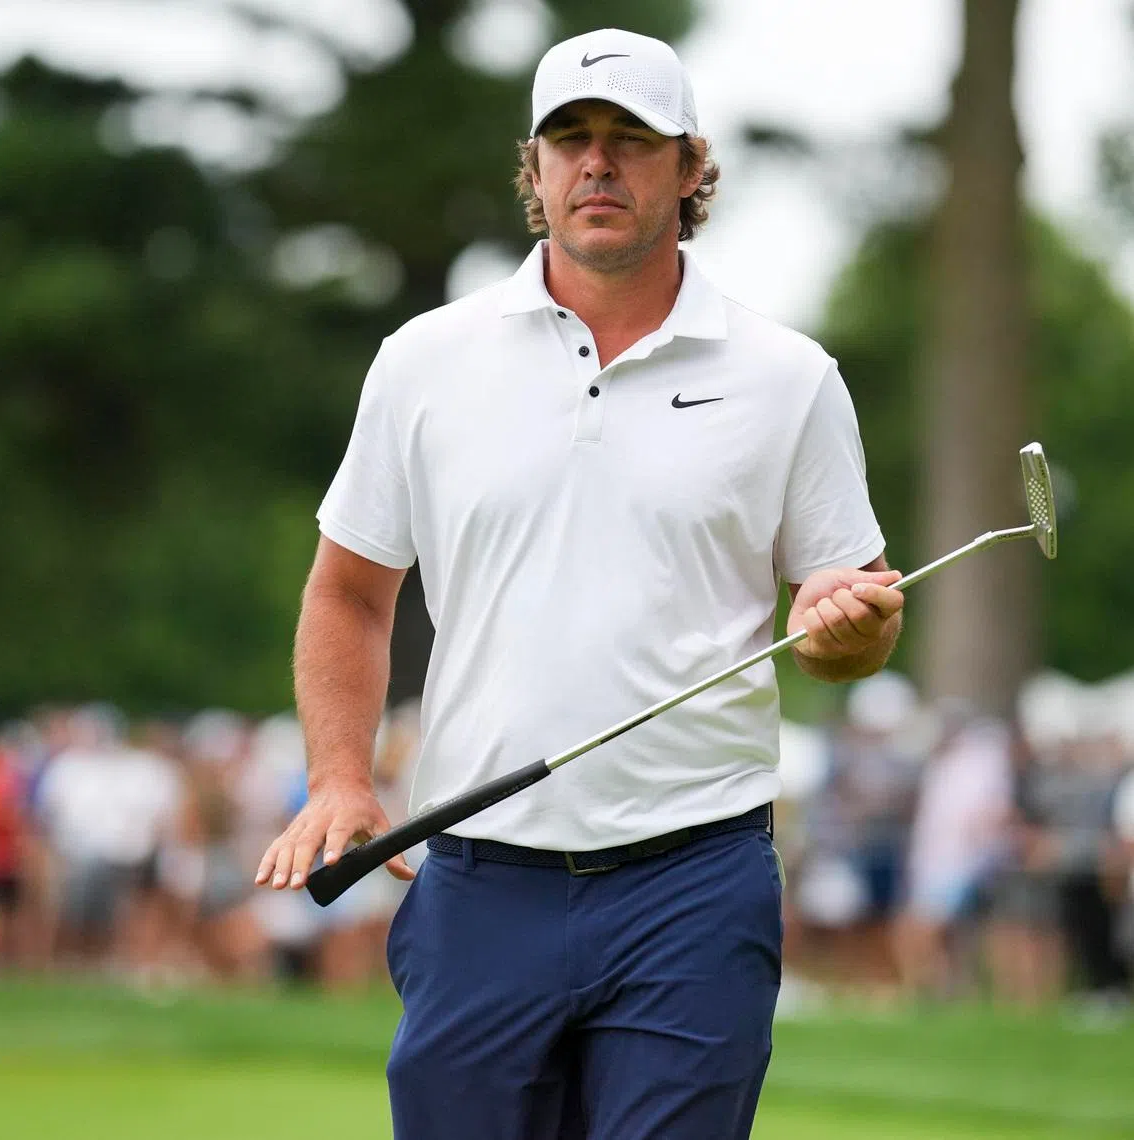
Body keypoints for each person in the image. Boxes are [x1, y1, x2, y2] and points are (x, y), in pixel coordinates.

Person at [256, 27, 903, 1139]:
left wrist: (847, 635)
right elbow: (349, 592)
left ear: (691, 167)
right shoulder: (426, 360)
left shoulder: (788, 379)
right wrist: (339, 779)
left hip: (694, 878)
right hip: (480, 875)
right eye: (570, 139)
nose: (597, 163)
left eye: (631, 139)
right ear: (537, 166)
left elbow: (852, 624)